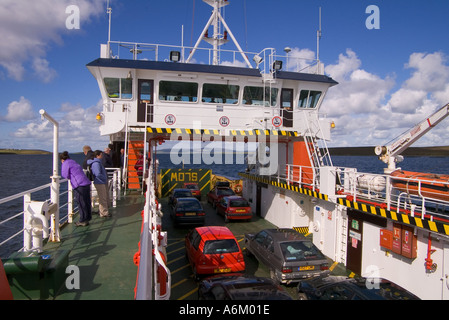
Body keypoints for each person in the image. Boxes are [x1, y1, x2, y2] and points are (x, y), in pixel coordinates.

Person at [60, 151, 92, 226]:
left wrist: (69, 176)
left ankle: (82, 220)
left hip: (79, 184)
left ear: (62, 159)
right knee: (87, 201)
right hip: (86, 183)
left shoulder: (65, 163)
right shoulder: (73, 161)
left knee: (81, 202)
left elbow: (64, 175)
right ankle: (87, 218)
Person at [88, 150, 111, 218]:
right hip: (100, 182)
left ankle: (103, 212)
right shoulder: (96, 164)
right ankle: (103, 213)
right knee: (102, 198)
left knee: (103, 197)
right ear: (97, 156)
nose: (102, 156)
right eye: (101, 155)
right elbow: (97, 174)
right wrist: (104, 178)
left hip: (101, 182)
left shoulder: (98, 163)